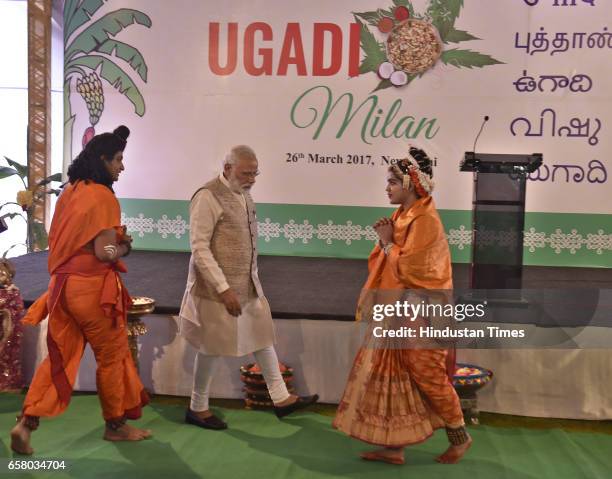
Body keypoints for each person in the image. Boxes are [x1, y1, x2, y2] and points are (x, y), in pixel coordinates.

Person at [10, 126, 151, 455]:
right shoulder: (103, 197)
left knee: (57, 359)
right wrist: (125, 247)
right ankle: (115, 426)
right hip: (92, 293)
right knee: (112, 357)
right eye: (118, 159)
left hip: (61, 290)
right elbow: (106, 253)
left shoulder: (71, 189)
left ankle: (26, 423)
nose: (122, 166)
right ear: (102, 160)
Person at [333, 146, 471, 465]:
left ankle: (460, 437)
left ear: (410, 184)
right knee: (391, 374)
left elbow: (415, 271)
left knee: (428, 375)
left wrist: (386, 243)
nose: (387, 188)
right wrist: (387, 243)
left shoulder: (426, 220)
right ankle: (393, 446)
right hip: (399, 310)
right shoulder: (401, 215)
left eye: (393, 182)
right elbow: (386, 262)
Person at [179, 145, 318, 430]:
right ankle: (197, 407)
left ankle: (281, 399)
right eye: (246, 173)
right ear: (228, 168)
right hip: (216, 290)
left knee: (261, 336)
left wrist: (249, 280)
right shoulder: (207, 196)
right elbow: (199, 248)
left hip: (248, 285)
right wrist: (223, 288)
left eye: (255, 173)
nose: (252, 179)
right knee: (210, 346)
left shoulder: (243, 194)